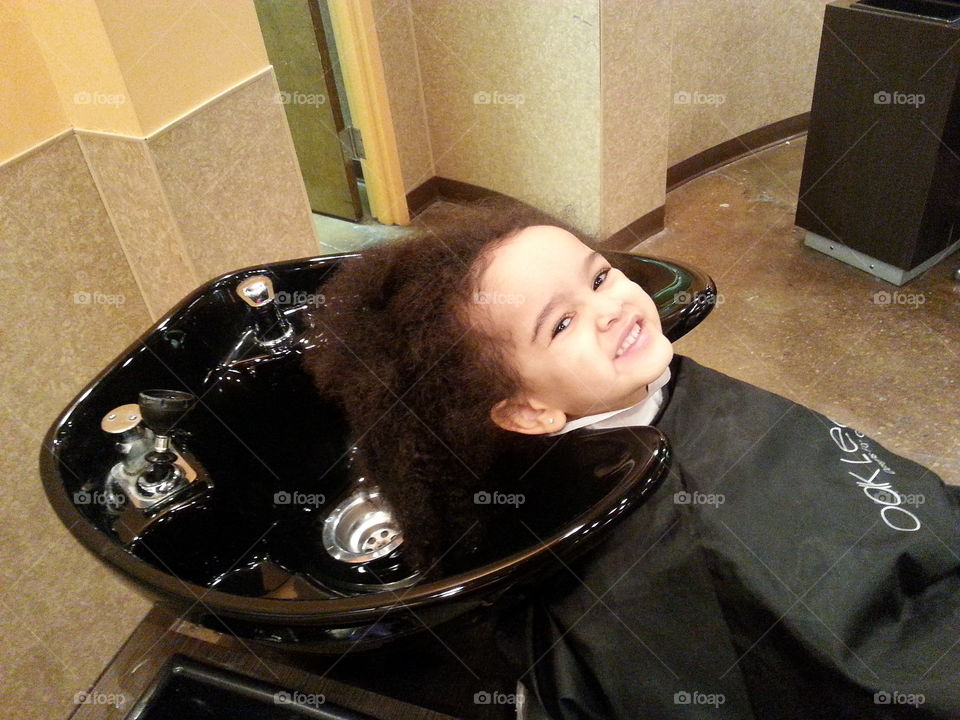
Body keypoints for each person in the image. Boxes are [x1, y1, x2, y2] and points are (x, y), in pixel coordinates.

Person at [303, 197, 960, 719]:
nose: (610, 309)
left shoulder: (663, 383)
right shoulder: (638, 559)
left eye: (599, 275)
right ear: (530, 411)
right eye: (559, 324)